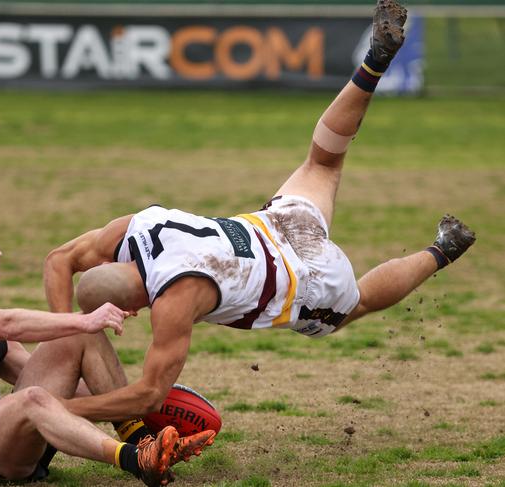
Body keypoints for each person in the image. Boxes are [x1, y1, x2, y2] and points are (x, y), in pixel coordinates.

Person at [43, 0, 476, 425]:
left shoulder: (173, 300)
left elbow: (149, 396)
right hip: (279, 225)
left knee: (357, 303)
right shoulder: (132, 228)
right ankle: (373, 64)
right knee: (323, 160)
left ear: (132, 305)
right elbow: (59, 260)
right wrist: (65, 327)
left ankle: (443, 249)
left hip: (305, 275)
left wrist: (57, 408)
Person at [0, 215, 214, 487]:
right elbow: (9, 322)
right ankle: (134, 459)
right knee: (48, 373)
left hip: (9, 444)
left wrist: (146, 399)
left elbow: (65, 388)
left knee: (75, 338)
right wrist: (85, 318)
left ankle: (142, 439)